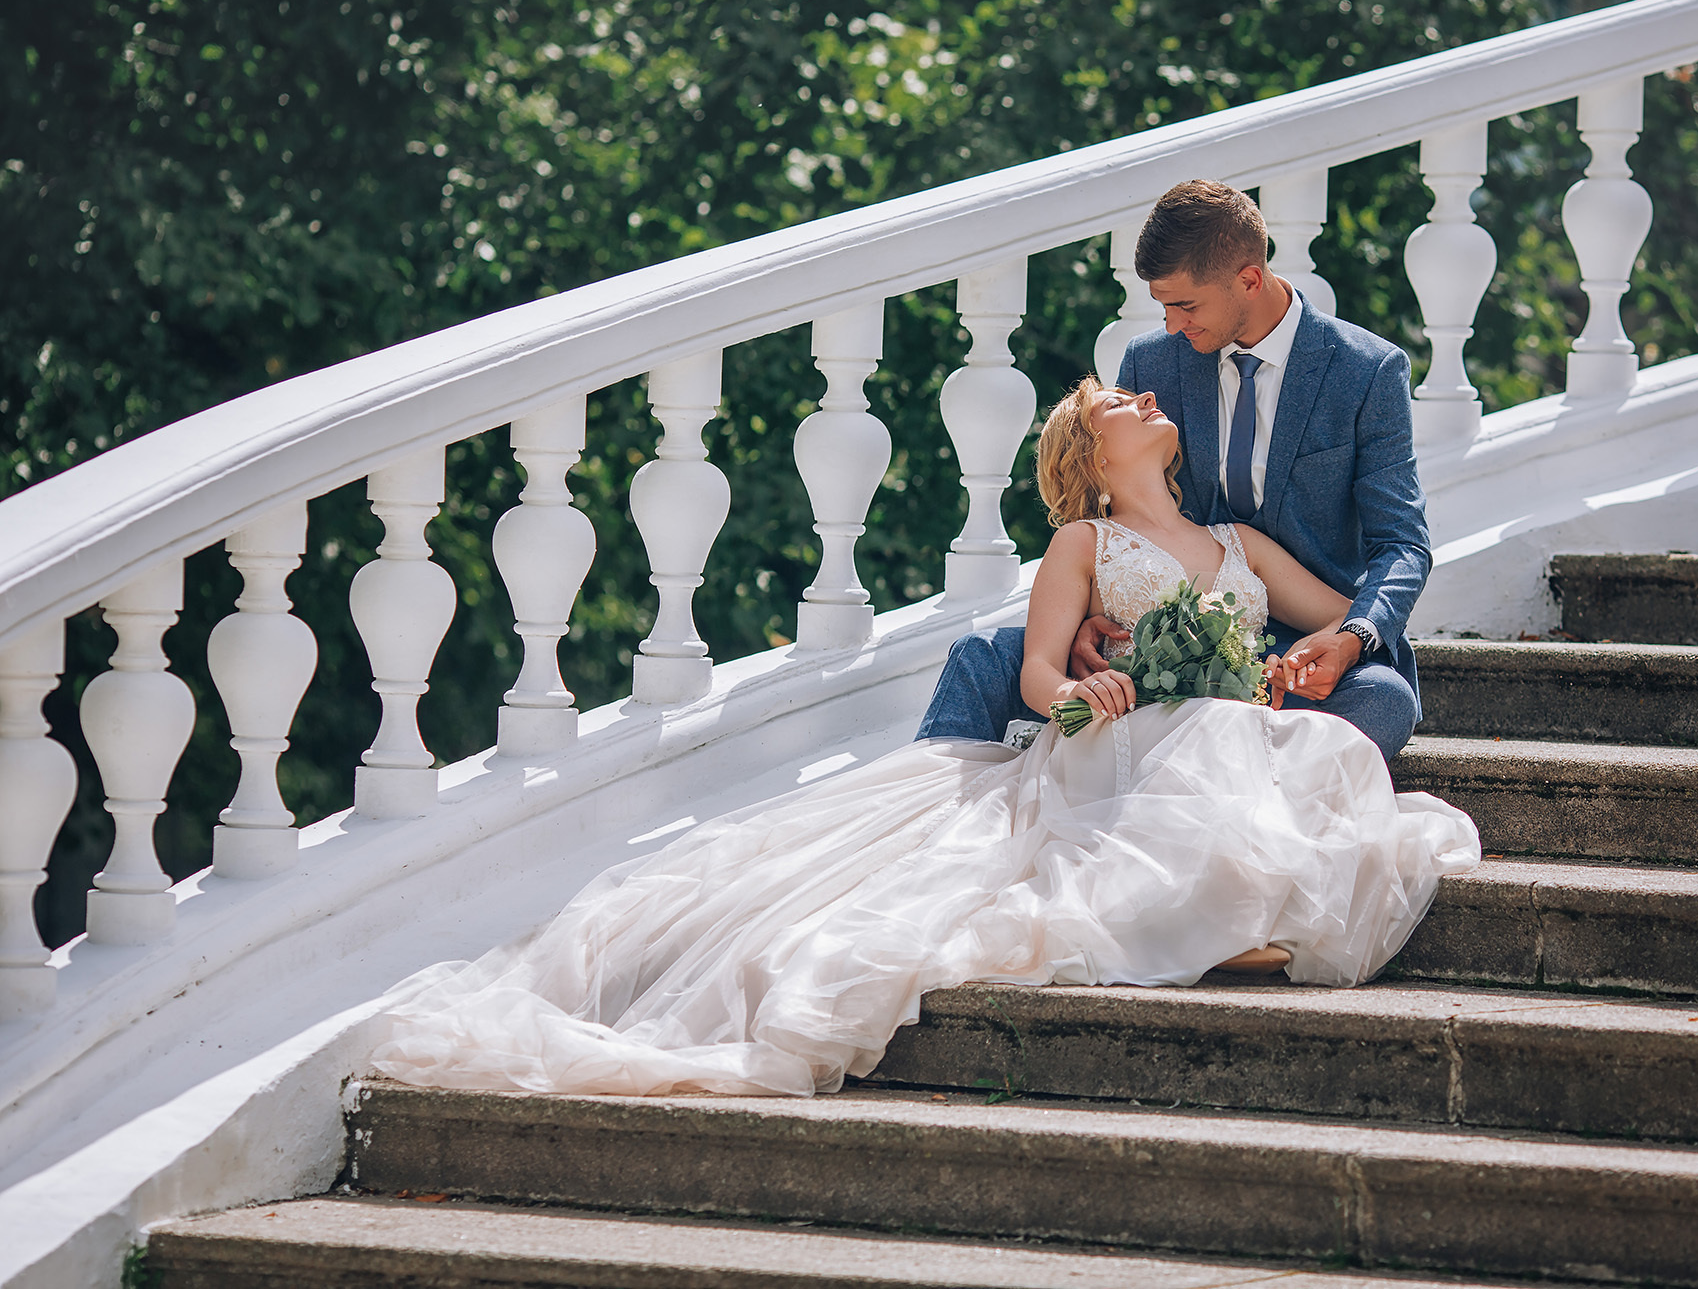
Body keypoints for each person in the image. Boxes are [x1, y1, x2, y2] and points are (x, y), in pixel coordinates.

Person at [366, 378, 1480, 1100]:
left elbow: (1337, 609)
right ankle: (1206, 922)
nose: (1141, 393)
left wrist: (1302, 655)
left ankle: (1217, 915)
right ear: (1088, 455)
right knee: (1181, 769)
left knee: (1312, 752)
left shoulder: (1236, 541)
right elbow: (1041, 671)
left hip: (1229, 722)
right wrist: (1081, 699)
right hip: (1120, 733)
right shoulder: (1081, 544)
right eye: (1112, 401)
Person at [919, 179, 1430, 763]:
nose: (1170, 325)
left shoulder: (1367, 372)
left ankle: (1207, 789)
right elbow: (1116, 501)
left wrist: (1350, 637)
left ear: (1249, 278)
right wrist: (1091, 616)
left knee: (1384, 698)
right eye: (1163, 305)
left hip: (1293, 650)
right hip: (1142, 651)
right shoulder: (1153, 359)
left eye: (1185, 305)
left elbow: (1403, 543)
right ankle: (926, 808)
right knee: (985, 655)